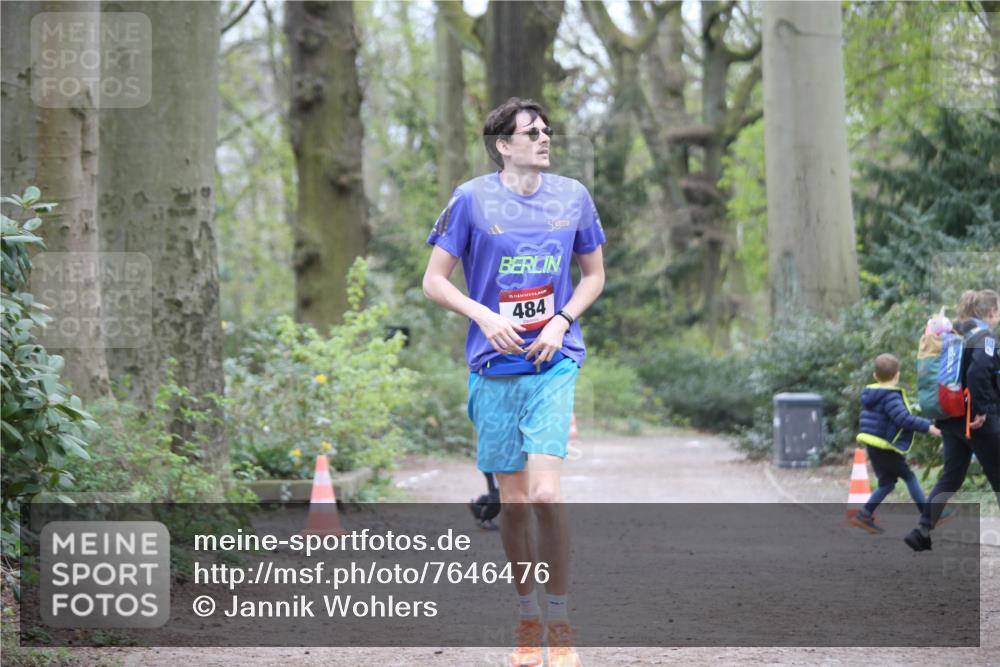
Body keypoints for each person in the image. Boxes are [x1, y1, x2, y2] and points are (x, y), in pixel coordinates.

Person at [422, 97, 605, 667]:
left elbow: (593, 275)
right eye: (532, 132)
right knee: (516, 503)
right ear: (503, 144)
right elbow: (434, 280)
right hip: (494, 368)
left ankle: (562, 622)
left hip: (553, 362)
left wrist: (562, 319)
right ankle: (528, 618)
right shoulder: (471, 199)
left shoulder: (573, 196)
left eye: (547, 130)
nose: (544, 138)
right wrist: (483, 315)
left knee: (546, 495)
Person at [905, 289, 1000, 551]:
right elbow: (979, 372)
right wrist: (981, 410)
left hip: (950, 419)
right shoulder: (984, 337)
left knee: (951, 476)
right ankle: (922, 529)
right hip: (976, 420)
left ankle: (922, 530)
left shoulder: (952, 333)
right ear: (991, 312)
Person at [850, 353, 942, 534]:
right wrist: (928, 427)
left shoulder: (871, 394)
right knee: (909, 477)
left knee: (887, 483)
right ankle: (928, 515)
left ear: (875, 375)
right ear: (897, 375)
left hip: (874, 445)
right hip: (885, 447)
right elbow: (904, 419)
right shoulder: (890, 396)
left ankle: (863, 515)